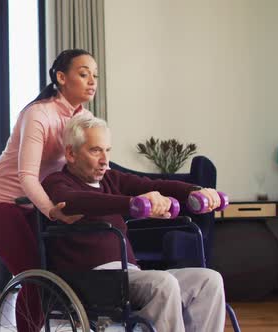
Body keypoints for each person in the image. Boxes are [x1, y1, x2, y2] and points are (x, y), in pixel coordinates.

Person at [41, 112, 226, 332]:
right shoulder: (57, 182)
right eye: (95, 150)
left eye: (107, 150)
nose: (104, 160)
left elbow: (154, 184)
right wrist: (132, 204)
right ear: (71, 154)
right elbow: (75, 201)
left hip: (130, 274)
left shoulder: (111, 178)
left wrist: (195, 190)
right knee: (163, 284)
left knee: (209, 281)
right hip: (92, 279)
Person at [0, 49, 97, 331]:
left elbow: (91, 168)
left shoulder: (84, 117)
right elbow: (27, 176)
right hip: (0, 202)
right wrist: (53, 211)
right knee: (34, 275)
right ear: (61, 77)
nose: (92, 81)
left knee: (54, 271)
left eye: (95, 75)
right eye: (83, 74)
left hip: (34, 202)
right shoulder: (39, 115)